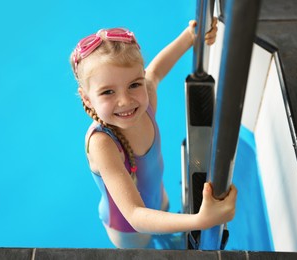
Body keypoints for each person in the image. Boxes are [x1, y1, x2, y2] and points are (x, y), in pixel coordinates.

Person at [70, 18, 237, 249]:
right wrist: (202, 220)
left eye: (134, 85)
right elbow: (136, 215)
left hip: (158, 201)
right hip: (129, 230)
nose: (125, 101)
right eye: (108, 91)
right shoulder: (103, 144)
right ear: (87, 98)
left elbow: (156, 71)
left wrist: (190, 37)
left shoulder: (145, 97)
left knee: (168, 232)